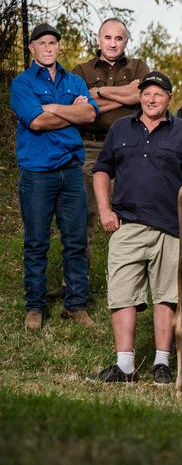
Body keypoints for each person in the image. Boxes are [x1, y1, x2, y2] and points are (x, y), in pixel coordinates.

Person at [90, 71, 182, 383]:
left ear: (169, 99)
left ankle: (162, 364)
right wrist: (105, 210)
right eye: (146, 93)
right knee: (122, 294)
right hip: (127, 224)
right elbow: (101, 170)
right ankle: (124, 366)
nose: (151, 98)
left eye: (158, 94)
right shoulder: (121, 128)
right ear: (140, 97)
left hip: (171, 228)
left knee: (167, 297)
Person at [39, 18, 151, 301]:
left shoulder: (138, 67)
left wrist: (98, 95)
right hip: (90, 146)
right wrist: (124, 98)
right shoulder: (80, 70)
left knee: (133, 215)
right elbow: (78, 109)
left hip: (131, 148)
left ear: (126, 41)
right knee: (82, 216)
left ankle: (133, 287)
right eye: (108, 38)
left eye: (119, 38)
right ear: (99, 39)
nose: (113, 43)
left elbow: (143, 95)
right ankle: (76, 285)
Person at [10, 23, 98, 330]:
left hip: (71, 171)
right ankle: (35, 306)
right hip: (37, 174)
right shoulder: (21, 84)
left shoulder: (73, 80)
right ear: (32, 48)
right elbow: (35, 122)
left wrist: (53, 108)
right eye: (42, 43)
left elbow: (89, 115)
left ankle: (76, 305)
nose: (49, 48)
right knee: (36, 241)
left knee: (75, 240)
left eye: (53, 43)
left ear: (58, 47)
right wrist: (67, 112)